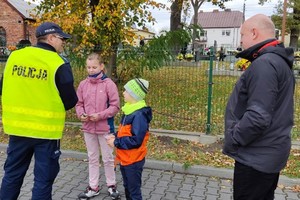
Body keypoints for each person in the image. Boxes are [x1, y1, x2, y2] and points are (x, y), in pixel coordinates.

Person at [0, 22, 78, 200]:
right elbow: (70, 100)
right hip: (46, 134)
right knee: (43, 181)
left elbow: (3, 87)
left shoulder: (15, 56)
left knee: (12, 175)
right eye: (61, 39)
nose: (63, 43)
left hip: (17, 130)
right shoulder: (58, 63)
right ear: (50, 38)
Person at [223, 14, 295, 200]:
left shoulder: (265, 64)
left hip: (256, 158)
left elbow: (258, 117)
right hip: (267, 154)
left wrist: (234, 137)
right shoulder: (278, 62)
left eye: (242, 35)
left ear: (254, 33)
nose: (241, 41)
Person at [75, 53, 120, 199]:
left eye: (94, 67)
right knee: (92, 158)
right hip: (88, 128)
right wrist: (81, 114)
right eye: (88, 67)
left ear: (101, 66)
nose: (91, 70)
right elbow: (79, 104)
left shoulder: (109, 84)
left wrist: (100, 115)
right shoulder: (83, 84)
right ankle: (93, 187)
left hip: (105, 128)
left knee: (108, 158)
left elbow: (115, 106)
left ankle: (111, 185)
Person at [107, 78, 152, 200]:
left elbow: (136, 140)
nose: (123, 93)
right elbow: (125, 132)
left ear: (134, 94)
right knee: (127, 187)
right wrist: (116, 136)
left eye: (126, 91)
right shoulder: (129, 110)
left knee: (134, 191)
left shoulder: (139, 115)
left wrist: (116, 142)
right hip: (125, 158)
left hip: (134, 160)